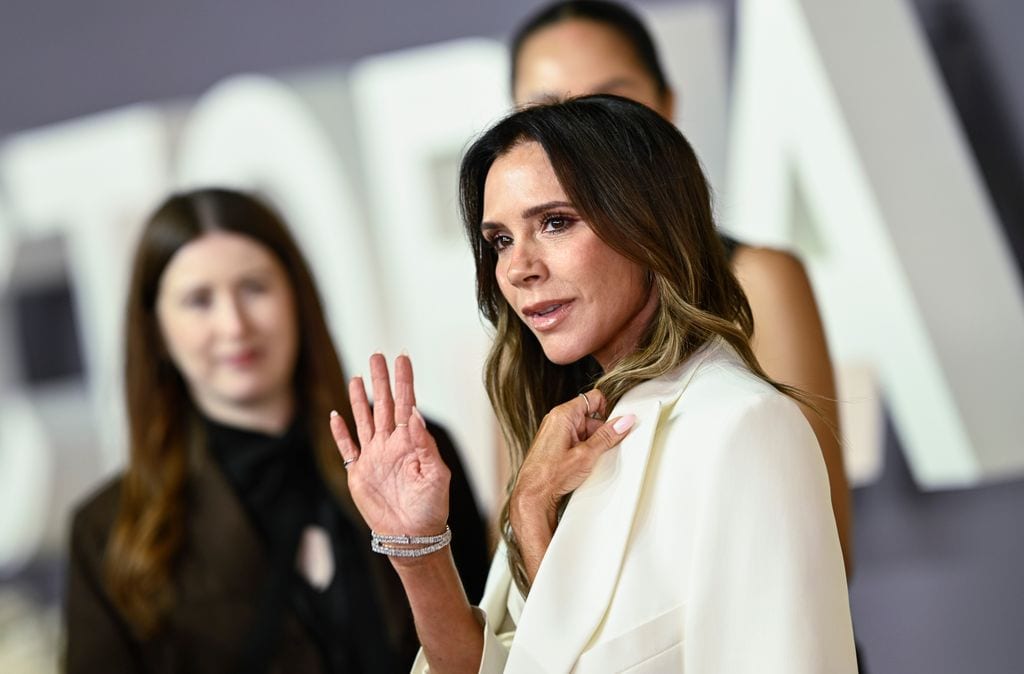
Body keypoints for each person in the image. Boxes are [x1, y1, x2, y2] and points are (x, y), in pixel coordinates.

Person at [330, 96, 856, 672]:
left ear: (649, 225)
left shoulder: (742, 428)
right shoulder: (560, 441)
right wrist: (421, 552)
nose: (517, 267)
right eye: (500, 239)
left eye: (555, 223)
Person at [64, 188, 490, 673]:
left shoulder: (414, 452)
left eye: (254, 288)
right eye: (199, 300)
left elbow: (497, 646)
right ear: (157, 329)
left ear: (296, 298)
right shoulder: (106, 531)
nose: (234, 324)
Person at [509, 0, 853, 575]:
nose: (582, 137)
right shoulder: (524, 321)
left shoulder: (757, 278)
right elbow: (514, 574)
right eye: (549, 111)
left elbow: (820, 546)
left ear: (666, 107)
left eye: (609, 102)